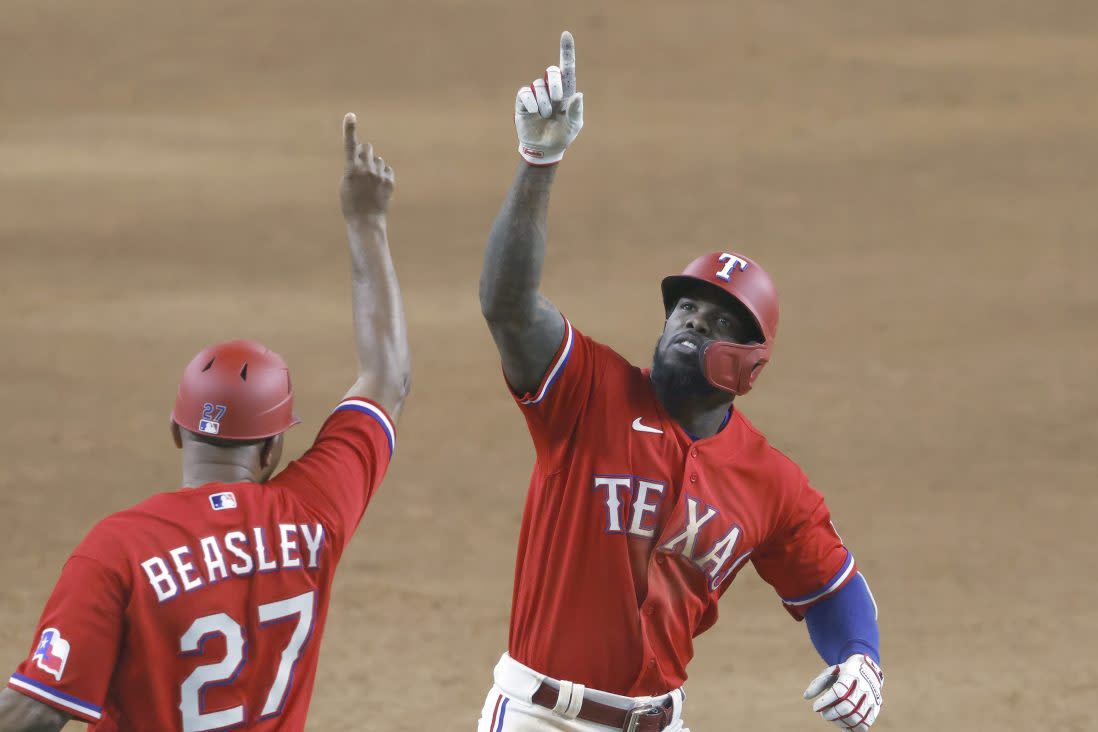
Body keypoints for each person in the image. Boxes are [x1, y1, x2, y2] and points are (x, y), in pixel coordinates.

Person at [476, 32, 883, 732]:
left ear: (751, 360)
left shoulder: (770, 482)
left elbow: (832, 587)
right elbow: (508, 305)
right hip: (539, 717)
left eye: (719, 318)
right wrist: (539, 162)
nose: (692, 320)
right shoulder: (587, 393)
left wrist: (859, 660)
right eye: (686, 306)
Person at [0, 113, 410, 732]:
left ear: (176, 430)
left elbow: (36, 711)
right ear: (272, 449)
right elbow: (388, 376)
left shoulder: (118, 550)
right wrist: (366, 220)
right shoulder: (312, 513)